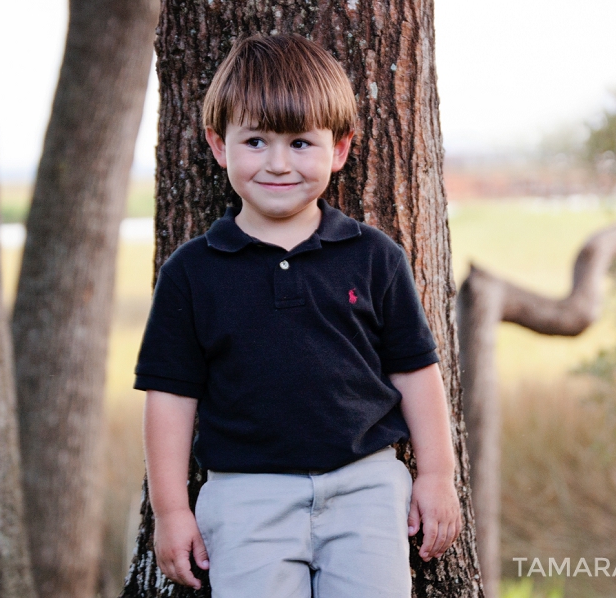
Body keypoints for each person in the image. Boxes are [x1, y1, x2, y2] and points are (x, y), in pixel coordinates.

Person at [134, 33, 461, 598]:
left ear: (339, 149)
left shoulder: (374, 256)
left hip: (366, 488)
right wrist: (170, 510)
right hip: (244, 497)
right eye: (256, 141)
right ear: (219, 145)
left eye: (301, 143)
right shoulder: (192, 272)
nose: (279, 163)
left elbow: (415, 371)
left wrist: (436, 476)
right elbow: (169, 396)